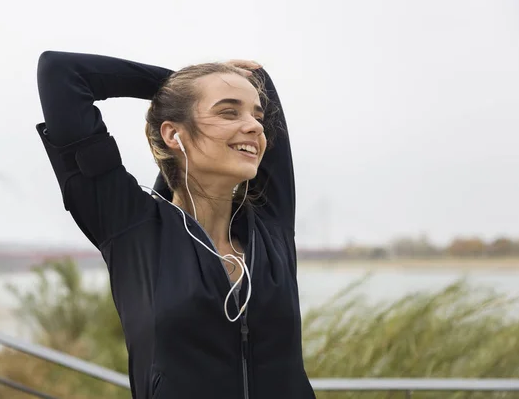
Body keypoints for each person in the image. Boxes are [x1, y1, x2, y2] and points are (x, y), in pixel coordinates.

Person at [35, 50, 315, 399]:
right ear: (173, 133)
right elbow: (61, 72)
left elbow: (262, 82)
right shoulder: (131, 226)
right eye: (229, 111)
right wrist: (175, 85)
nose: (255, 126)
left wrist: (218, 83)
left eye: (257, 116)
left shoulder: (271, 228)